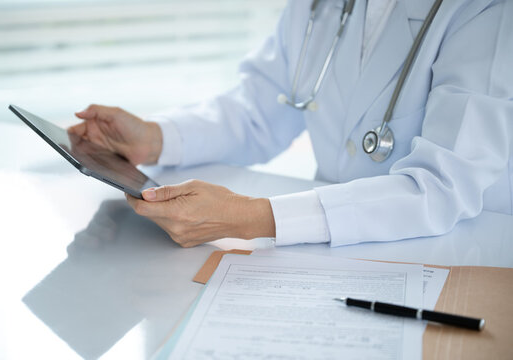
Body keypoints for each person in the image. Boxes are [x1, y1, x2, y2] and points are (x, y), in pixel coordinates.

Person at [67, 0, 513, 248]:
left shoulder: (485, 10)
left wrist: (254, 217)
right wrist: (153, 139)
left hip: (449, 251)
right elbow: (260, 110)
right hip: (326, 251)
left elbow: (441, 187)